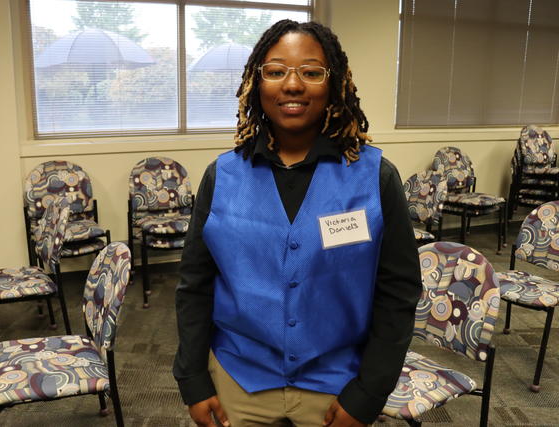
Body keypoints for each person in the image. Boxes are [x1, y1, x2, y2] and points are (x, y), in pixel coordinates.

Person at [174, 19, 421, 427]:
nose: (292, 85)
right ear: (257, 82)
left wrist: (369, 393)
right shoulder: (222, 176)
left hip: (337, 384)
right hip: (238, 379)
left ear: (334, 83)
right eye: (275, 71)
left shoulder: (376, 176)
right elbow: (194, 286)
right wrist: (194, 380)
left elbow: (397, 293)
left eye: (311, 72)